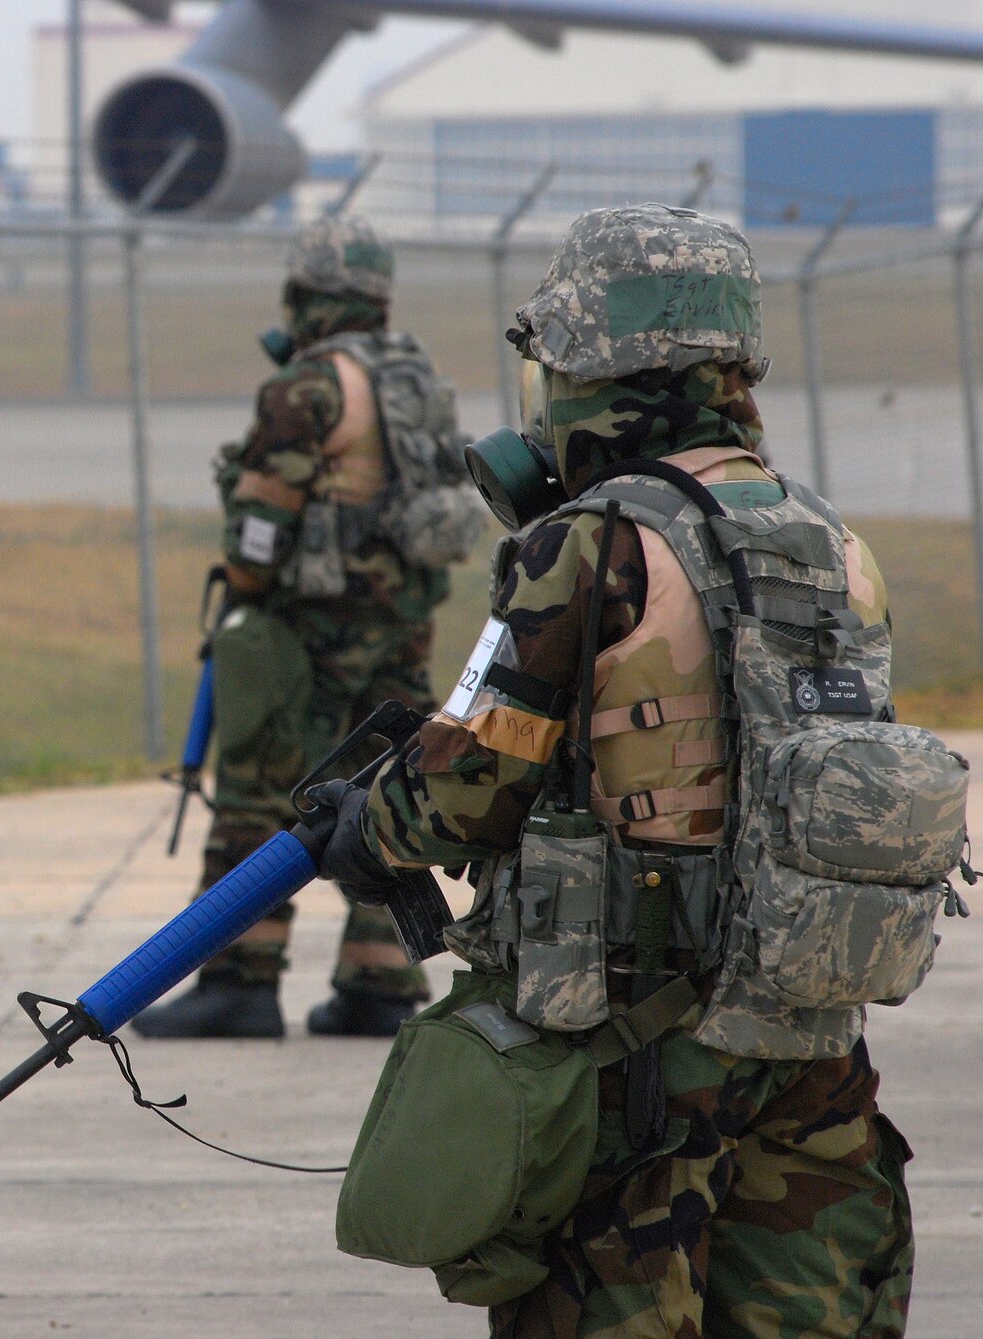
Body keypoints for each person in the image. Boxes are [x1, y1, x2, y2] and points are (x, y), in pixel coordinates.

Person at [313, 204, 922, 1333]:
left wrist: (368, 825)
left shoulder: (586, 542)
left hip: (633, 1055)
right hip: (804, 1036)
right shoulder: (826, 538)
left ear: (589, 362)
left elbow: (466, 787)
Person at [135, 215, 483, 1040]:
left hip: (308, 628)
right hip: (401, 624)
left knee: (260, 788)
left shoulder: (309, 386)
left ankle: (239, 978)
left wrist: (248, 583)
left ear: (309, 295)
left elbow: (261, 522)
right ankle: (382, 980)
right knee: (388, 792)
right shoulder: (411, 376)